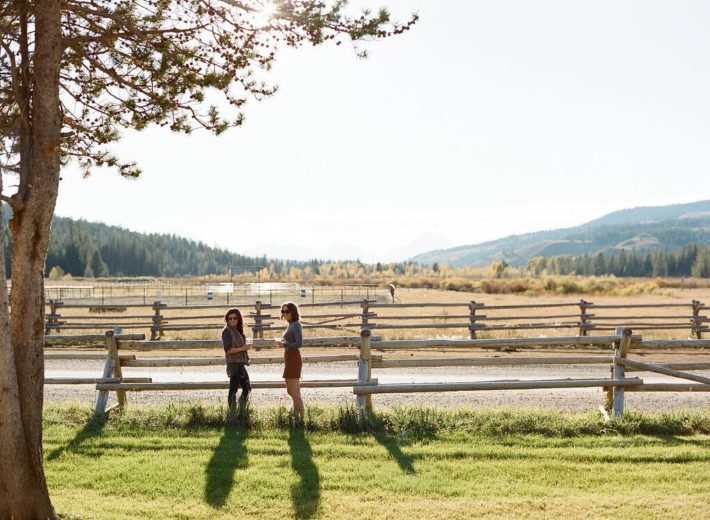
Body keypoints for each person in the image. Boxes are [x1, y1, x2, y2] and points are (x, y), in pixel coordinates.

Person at [274, 301, 304, 419]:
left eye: (287, 311)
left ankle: (302, 418)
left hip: (293, 358)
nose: (284, 313)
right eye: (283, 311)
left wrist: (284, 345)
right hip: (290, 357)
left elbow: (299, 343)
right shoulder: (291, 324)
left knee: (292, 392)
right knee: (296, 391)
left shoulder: (296, 324)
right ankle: (298, 418)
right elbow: (292, 342)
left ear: (293, 312)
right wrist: (283, 343)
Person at [222, 308, 251, 409]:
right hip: (234, 363)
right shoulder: (227, 331)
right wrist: (242, 348)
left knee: (233, 389)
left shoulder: (236, 330)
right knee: (246, 388)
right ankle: (241, 413)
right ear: (227, 319)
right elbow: (228, 350)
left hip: (239, 362)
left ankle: (233, 414)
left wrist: (244, 348)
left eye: (234, 318)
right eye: (230, 318)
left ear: (238, 319)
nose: (232, 320)